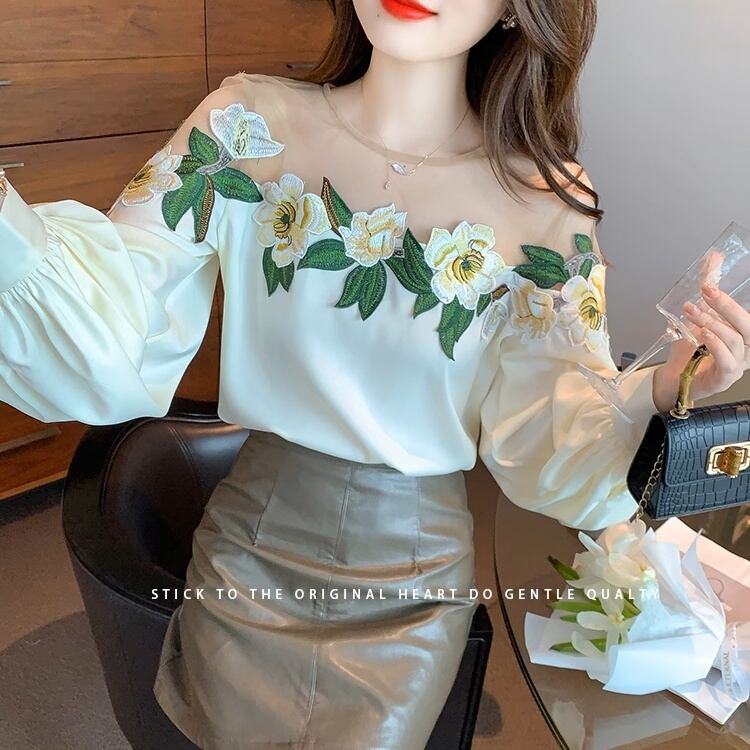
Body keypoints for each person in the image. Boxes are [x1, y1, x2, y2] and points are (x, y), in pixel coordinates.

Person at [1, 0, 748, 748]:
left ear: (516, 9)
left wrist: (663, 383)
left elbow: (546, 437)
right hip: (252, 543)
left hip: (413, 581)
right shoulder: (246, 124)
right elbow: (114, 310)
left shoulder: (546, 205)